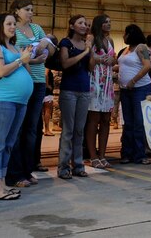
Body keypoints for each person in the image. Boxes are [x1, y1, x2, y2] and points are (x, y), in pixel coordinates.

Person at [0, 13, 33, 201]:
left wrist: (24, 59)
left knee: (8, 144)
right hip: (1, 101)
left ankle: (2, 184)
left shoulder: (13, 47)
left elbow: (23, 69)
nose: (13, 27)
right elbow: (1, 71)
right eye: (9, 23)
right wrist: (21, 60)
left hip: (19, 102)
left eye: (14, 24)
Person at [6, 0, 54, 188]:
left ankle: (27, 169)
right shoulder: (12, 29)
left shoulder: (37, 29)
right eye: (27, 9)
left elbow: (51, 49)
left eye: (32, 9)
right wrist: (33, 60)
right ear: (16, 11)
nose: (31, 12)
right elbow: (16, 55)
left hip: (39, 82)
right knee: (17, 128)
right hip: (20, 81)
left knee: (32, 130)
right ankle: (15, 173)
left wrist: (45, 47)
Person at [56, 15, 92, 179]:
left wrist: (90, 50)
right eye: (80, 23)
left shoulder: (87, 44)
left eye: (86, 23)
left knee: (79, 130)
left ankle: (78, 165)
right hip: (69, 90)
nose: (84, 25)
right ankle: (63, 167)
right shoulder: (66, 43)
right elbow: (65, 64)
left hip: (85, 89)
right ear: (72, 26)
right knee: (68, 130)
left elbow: (90, 66)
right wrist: (84, 52)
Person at [118, 24, 151, 165]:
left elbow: (147, 65)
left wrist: (133, 80)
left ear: (131, 34)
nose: (123, 36)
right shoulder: (126, 50)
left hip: (140, 88)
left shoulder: (141, 48)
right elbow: (123, 65)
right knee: (128, 122)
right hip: (125, 90)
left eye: (125, 33)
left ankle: (139, 154)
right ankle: (127, 153)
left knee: (138, 122)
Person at [86, 15, 115, 168]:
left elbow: (113, 59)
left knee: (106, 120)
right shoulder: (91, 38)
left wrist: (112, 61)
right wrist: (98, 59)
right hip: (95, 81)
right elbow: (88, 58)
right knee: (93, 119)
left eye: (110, 22)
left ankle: (103, 155)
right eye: (106, 22)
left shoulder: (110, 40)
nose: (109, 24)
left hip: (108, 83)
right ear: (99, 24)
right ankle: (93, 156)